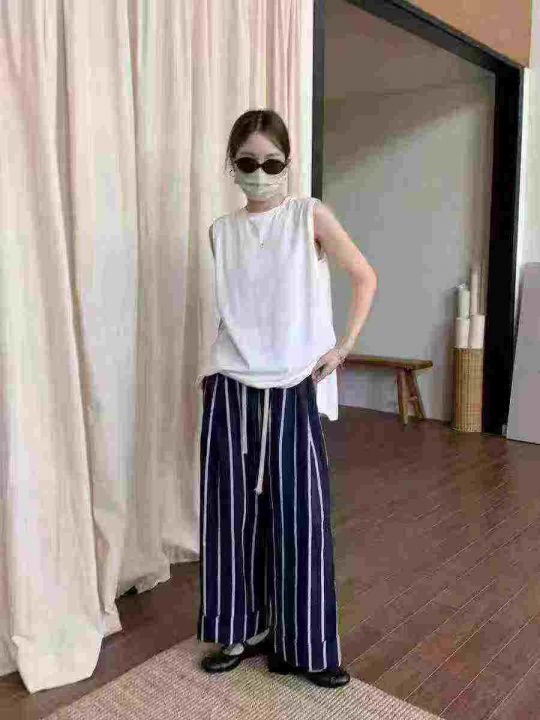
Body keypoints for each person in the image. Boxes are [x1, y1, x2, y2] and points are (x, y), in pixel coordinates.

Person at [196, 108, 377, 689]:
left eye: (271, 163)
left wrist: (342, 348)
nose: (259, 173)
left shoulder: (309, 216)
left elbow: (365, 276)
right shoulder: (220, 231)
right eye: (247, 162)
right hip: (230, 386)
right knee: (229, 517)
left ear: (288, 164)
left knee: (302, 517)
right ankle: (238, 629)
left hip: (295, 385)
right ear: (232, 165)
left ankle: (309, 646)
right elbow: (241, 307)